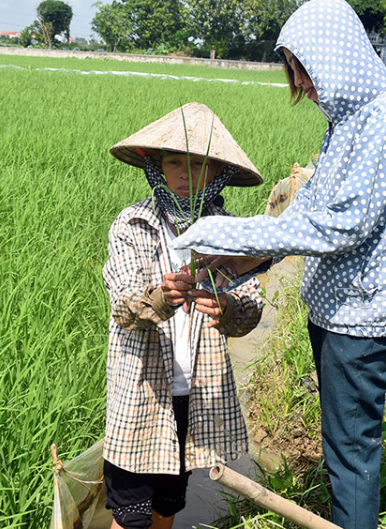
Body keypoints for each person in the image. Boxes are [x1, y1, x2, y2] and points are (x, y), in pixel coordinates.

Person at [171, 0, 386, 529]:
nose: (303, 85)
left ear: (337, 57)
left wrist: (231, 230)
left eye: (305, 69)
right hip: (342, 309)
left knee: (351, 454)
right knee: (343, 442)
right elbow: (310, 211)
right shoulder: (350, 123)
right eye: (293, 71)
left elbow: (341, 225)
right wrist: (239, 261)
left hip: (362, 318)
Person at [101, 102, 266, 529]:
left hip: (192, 393)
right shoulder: (133, 224)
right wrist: (160, 297)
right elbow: (124, 304)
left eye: (197, 164)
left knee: (168, 506)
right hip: (141, 393)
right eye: (174, 161)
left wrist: (228, 308)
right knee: (130, 514)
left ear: (216, 172)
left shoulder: (231, 232)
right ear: (156, 167)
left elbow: (250, 307)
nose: (184, 172)